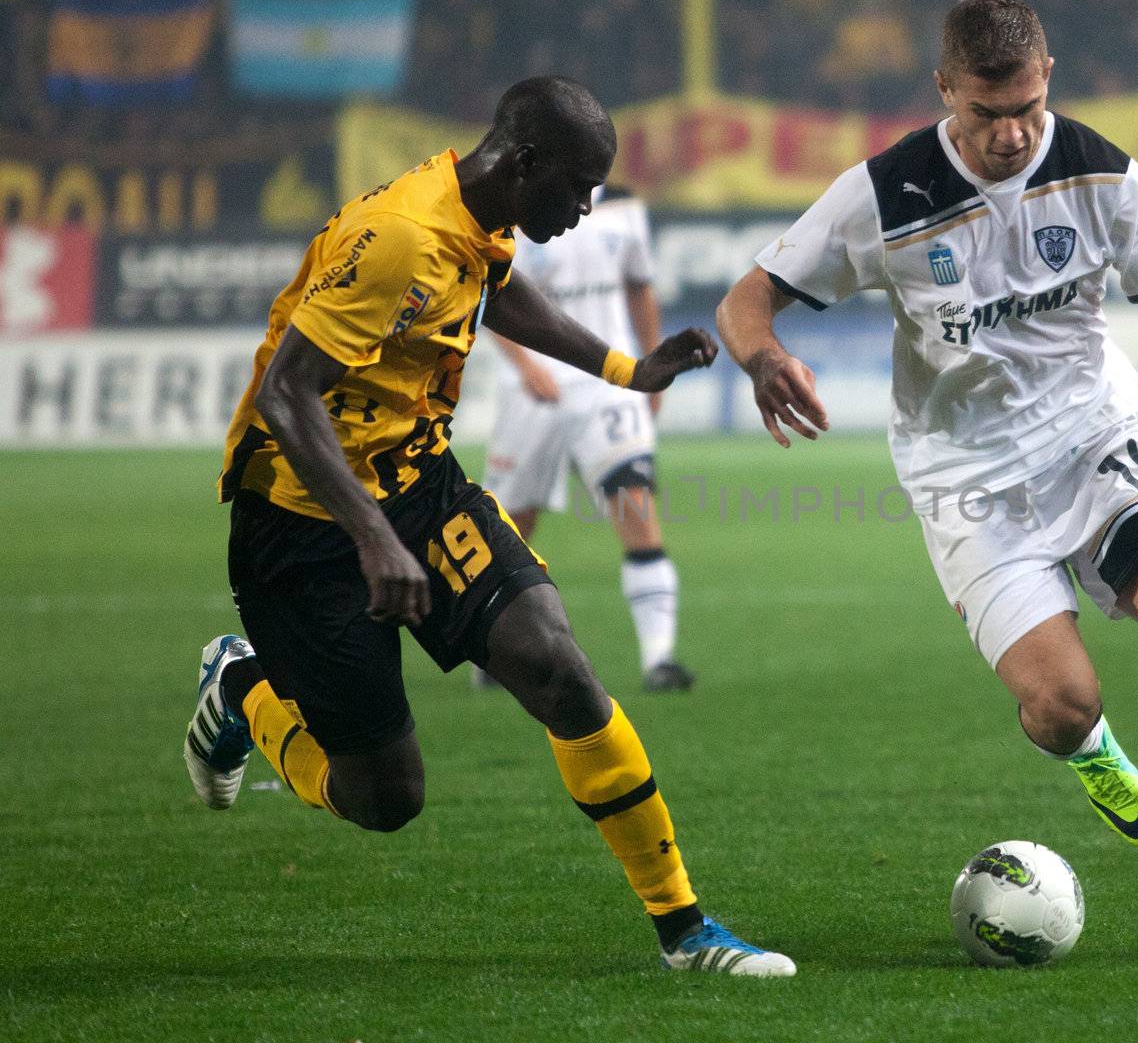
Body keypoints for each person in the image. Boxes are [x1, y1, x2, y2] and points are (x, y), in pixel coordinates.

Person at [716, 0, 1138, 951]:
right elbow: (747, 299)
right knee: (1060, 701)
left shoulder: (1106, 175)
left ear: (1048, 80)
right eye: (986, 114)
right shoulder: (883, 194)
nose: (1011, 133)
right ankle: (1091, 749)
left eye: (1027, 108)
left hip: (1091, 442)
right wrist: (763, 358)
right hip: (966, 479)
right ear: (945, 89)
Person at [183, 76, 794, 976]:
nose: (587, 210)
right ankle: (242, 689)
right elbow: (286, 392)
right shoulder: (398, 240)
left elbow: (494, 293)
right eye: (578, 187)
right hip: (302, 527)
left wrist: (628, 369)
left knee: (559, 667)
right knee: (385, 798)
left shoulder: (481, 211)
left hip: (420, 487)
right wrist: (371, 538)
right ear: (525, 162)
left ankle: (686, 931)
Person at [475, 184, 693, 694]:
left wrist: (650, 362)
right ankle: (486, 648)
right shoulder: (514, 204)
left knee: (636, 510)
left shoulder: (624, 205)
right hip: (534, 391)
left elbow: (640, 286)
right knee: (513, 527)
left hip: (609, 386)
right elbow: (486, 292)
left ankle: (659, 659)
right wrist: (525, 365)